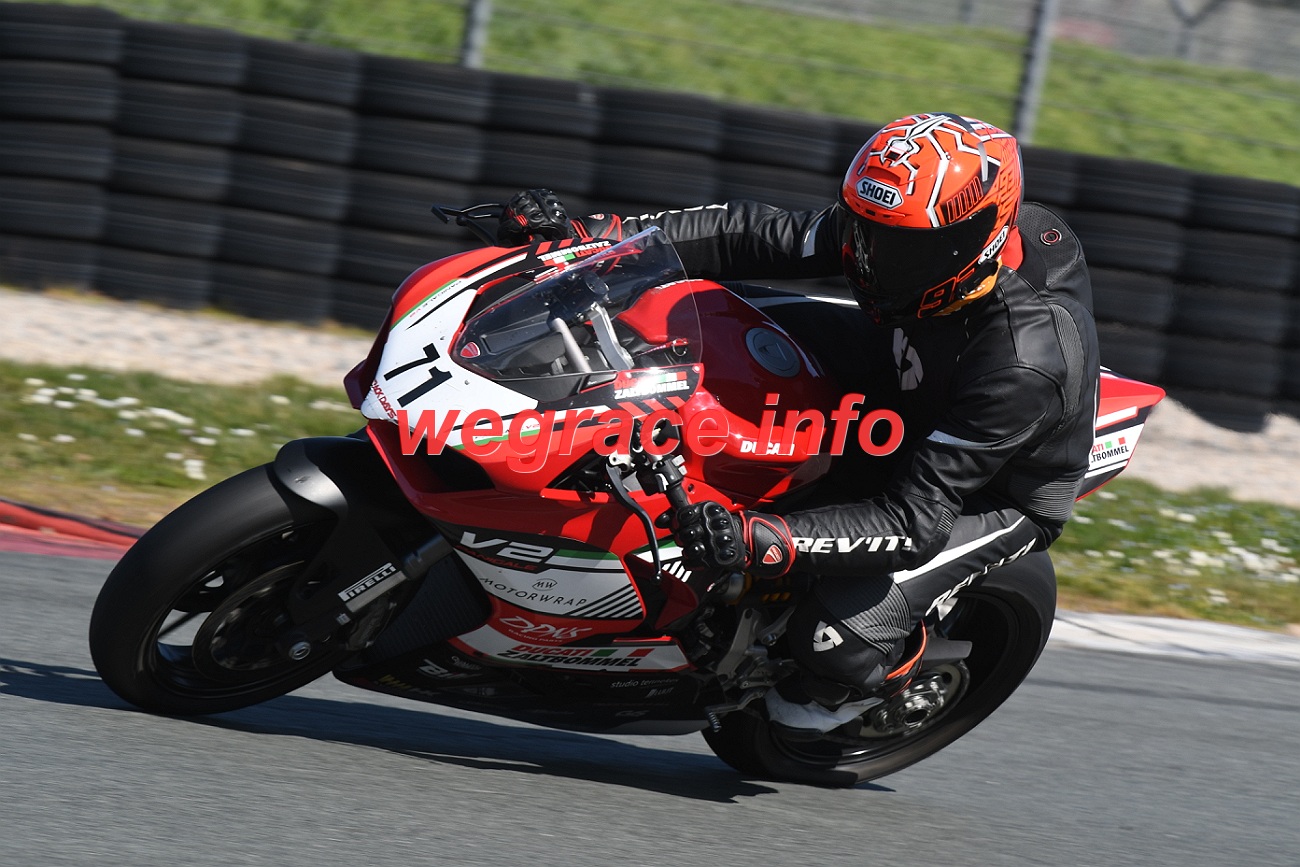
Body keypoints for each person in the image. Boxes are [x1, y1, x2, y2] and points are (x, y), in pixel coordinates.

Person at [497, 112, 1100, 735]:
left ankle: (886, 678)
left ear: (978, 237)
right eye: (865, 231)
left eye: (900, 247)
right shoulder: (914, 238)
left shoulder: (1024, 364)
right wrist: (597, 239)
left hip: (986, 492)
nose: (869, 259)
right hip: (901, 363)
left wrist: (758, 537)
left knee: (831, 642)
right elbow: (756, 234)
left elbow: (915, 522)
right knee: (696, 315)